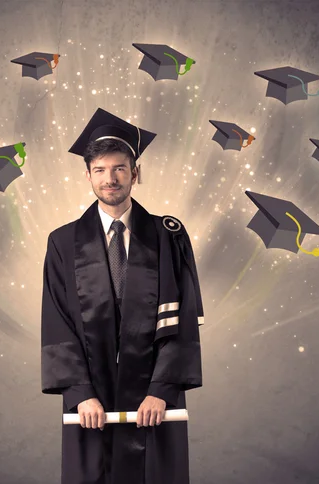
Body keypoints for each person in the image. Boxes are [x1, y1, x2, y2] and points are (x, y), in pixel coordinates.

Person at [41, 108, 204, 484]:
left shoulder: (168, 237)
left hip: (153, 400)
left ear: (135, 173)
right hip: (91, 401)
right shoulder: (63, 242)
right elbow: (57, 321)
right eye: (99, 170)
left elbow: (182, 319)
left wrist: (161, 391)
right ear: (88, 176)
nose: (109, 179)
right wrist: (80, 392)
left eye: (118, 169)